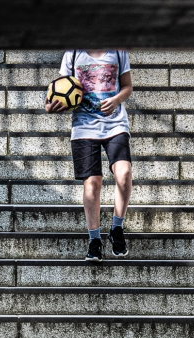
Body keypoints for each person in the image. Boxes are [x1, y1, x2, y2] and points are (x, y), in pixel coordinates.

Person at [46, 49, 133, 262]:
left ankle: (117, 228)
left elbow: (128, 86)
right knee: (92, 183)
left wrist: (116, 100)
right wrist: (50, 106)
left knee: (124, 174)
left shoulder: (118, 51)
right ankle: (94, 240)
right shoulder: (72, 54)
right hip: (84, 128)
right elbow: (58, 89)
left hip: (115, 125)